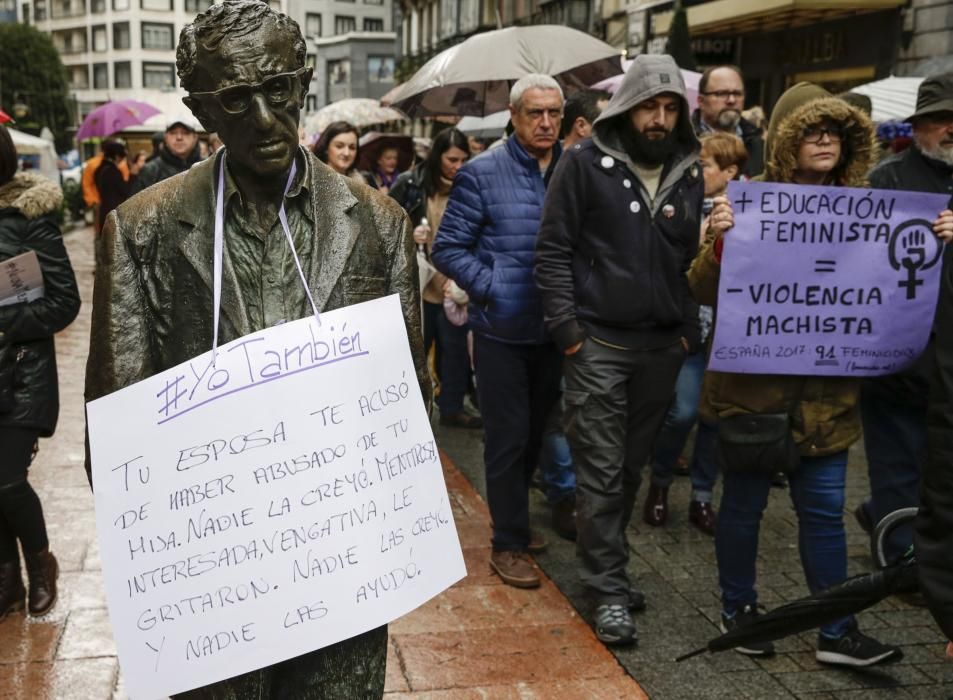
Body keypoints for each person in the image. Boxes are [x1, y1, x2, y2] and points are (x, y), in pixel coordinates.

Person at [83, 2, 427, 696]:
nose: (266, 119)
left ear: (303, 82)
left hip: (340, 555)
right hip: (211, 567)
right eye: (237, 99)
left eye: (279, 90)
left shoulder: (379, 225)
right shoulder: (143, 230)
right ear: (200, 107)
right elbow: (114, 432)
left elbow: (403, 405)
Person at [689, 82, 920, 667]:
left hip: (827, 400)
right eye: (813, 130)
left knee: (823, 514)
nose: (825, 141)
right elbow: (700, 289)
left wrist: (936, 245)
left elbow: (897, 290)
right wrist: (720, 243)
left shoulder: (868, 209)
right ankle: (739, 611)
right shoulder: (748, 203)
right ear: (787, 141)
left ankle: (835, 631)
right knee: (743, 507)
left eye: (836, 132)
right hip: (753, 395)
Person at [536, 54, 702, 645]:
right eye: (648, 107)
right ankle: (605, 588)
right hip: (598, 345)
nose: (657, 119)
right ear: (627, 109)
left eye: (668, 108)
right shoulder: (584, 164)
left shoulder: (689, 170)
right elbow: (553, 250)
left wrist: (687, 330)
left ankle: (609, 568)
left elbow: (684, 260)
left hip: (661, 348)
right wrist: (570, 333)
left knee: (630, 470)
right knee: (601, 474)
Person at [432, 73, 564, 590]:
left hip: (555, 328)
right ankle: (507, 542)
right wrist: (495, 286)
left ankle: (520, 522)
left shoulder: (572, 170)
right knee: (507, 439)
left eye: (554, 112)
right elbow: (447, 249)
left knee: (537, 433)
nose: (547, 122)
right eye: (536, 113)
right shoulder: (482, 173)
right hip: (502, 330)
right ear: (514, 116)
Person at [857, 73, 953, 564]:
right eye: (940, 119)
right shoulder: (886, 180)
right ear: (919, 127)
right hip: (896, 359)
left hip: (948, 360)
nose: (950, 129)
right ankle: (900, 561)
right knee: (896, 464)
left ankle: (913, 539)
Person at [644, 132, 747, 537]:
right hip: (689, 331)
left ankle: (703, 495)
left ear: (730, 172)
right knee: (683, 412)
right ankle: (660, 483)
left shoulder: (754, 210)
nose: (696, 171)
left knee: (715, 421)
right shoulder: (680, 204)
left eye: (704, 165)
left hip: (729, 333)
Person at [0, 123, 81, 621]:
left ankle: (40, 562)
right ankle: (6, 577)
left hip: (19, 376)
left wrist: (6, 321)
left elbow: (64, 302)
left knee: (7, 480)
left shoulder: (28, 220)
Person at [390, 128, 480, 429]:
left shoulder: (470, 186)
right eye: (452, 159)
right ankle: (407, 413)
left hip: (454, 286)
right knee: (413, 350)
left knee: (454, 351)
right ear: (437, 156)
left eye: (463, 159)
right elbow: (387, 222)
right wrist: (410, 232)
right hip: (418, 283)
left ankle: (452, 407)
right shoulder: (410, 183)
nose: (458, 166)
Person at [692, 65, 764, 178]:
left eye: (737, 94)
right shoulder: (683, 143)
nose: (731, 100)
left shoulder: (760, 145)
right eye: (721, 94)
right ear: (701, 101)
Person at [131, 115, 202, 194]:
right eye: (173, 133)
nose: (179, 137)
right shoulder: (151, 170)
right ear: (166, 138)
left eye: (185, 133)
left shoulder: (207, 167)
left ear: (195, 138)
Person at [81, 140, 129, 225]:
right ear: (117, 156)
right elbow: (124, 190)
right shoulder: (114, 170)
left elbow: (87, 184)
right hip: (114, 211)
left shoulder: (97, 167)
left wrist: (92, 201)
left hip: (102, 207)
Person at [93, 140, 134, 236]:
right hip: (114, 213)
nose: (121, 160)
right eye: (121, 157)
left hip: (104, 212)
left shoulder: (99, 169)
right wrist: (133, 175)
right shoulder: (113, 171)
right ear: (116, 156)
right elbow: (126, 191)